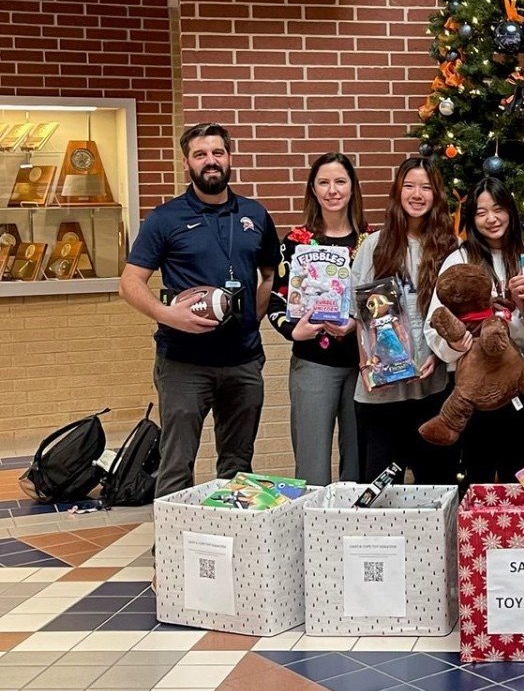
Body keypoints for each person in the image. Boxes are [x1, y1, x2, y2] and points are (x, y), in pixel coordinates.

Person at [119, 122, 281, 497]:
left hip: (242, 362)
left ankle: (234, 545)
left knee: (238, 465)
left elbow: (269, 275)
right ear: (186, 164)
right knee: (176, 464)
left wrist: (250, 323)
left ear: (229, 158)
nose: (211, 161)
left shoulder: (255, 215)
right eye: (201, 154)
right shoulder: (165, 218)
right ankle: (173, 552)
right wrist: (167, 315)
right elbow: (129, 282)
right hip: (184, 363)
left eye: (218, 153)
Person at [352, 157, 459, 485]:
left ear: (436, 195)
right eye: (409, 186)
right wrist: (369, 364)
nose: (417, 194)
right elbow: (361, 316)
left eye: (426, 187)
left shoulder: (447, 248)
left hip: (431, 392)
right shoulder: (374, 245)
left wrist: (437, 355)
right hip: (380, 397)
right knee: (380, 491)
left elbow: (454, 314)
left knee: (435, 486)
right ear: (398, 191)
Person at [425, 178, 524, 484]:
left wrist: (512, 316)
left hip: (518, 387)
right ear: (472, 219)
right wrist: (458, 343)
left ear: (511, 212)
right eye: (481, 212)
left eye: (498, 209)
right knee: (477, 477)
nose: (492, 219)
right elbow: (433, 326)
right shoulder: (458, 260)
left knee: (520, 477)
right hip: (473, 389)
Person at [267, 152, 369, 486]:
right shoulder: (296, 242)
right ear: (313, 189)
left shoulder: (372, 241)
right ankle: (312, 535)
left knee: (360, 463)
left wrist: (357, 323)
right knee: (311, 467)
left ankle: (354, 532)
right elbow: (276, 301)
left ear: (352, 187)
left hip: (363, 367)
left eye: (340, 181)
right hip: (313, 364)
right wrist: (293, 332)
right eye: (323, 182)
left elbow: (383, 301)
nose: (332, 190)